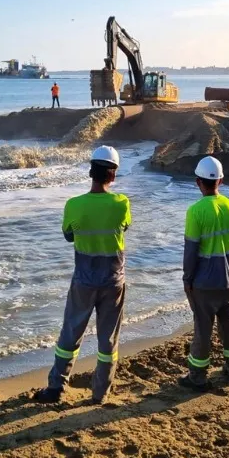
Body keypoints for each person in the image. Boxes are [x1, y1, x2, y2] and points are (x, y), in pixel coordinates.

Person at [33, 145, 131, 404]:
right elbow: (125, 227)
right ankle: (100, 393)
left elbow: (68, 235)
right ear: (113, 175)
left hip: (84, 281)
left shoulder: (73, 205)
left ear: (91, 172)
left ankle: (56, 387)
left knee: (70, 333)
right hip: (113, 281)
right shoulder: (122, 203)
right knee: (108, 339)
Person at [179, 156, 229, 391]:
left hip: (204, 283)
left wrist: (188, 279)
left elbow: (191, 250)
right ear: (221, 181)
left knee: (203, 329)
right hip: (228, 279)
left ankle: (197, 377)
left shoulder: (195, 211)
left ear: (198, 182)